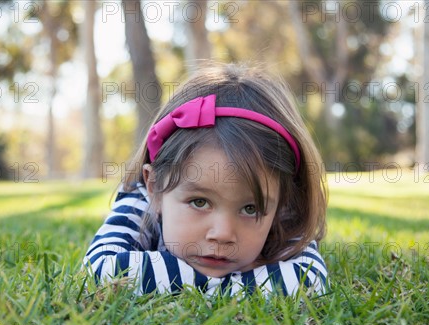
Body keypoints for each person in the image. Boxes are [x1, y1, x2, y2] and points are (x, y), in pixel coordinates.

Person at [83, 64, 328, 297]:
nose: (222, 234)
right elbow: (100, 271)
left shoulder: (284, 212)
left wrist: (169, 280)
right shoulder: (140, 201)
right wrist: (239, 285)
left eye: (250, 209)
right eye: (199, 202)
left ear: (281, 203)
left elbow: (311, 281)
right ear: (155, 187)